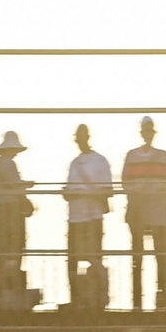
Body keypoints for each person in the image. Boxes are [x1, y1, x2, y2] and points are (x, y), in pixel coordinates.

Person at [121, 116, 166, 309]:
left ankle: (160, 294)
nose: (148, 135)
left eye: (150, 132)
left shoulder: (163, 156)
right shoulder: (132, 156)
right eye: (146, 131)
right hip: (138, 211)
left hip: (158, 212)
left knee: (160, 254)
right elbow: (125, 183)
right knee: (137, 256)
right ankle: (137, 299)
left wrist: (151, 188)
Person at [63, 124, 113, 309]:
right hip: (75, 217)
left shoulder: (100, 161)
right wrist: (69, 194)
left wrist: (85, 193)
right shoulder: (75, 163)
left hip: (92, 217)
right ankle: (76, 298)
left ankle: (98, 296)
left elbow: (108, 190)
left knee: (95, 257)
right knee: (72, 259)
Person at [0, 131, 35, 295]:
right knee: (14, 245)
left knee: (1, 247)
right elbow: (14, 184)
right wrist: (27, 185)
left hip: (1, 208)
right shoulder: (8, 164)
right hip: (11, 209)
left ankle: (0, 283)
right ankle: (12, 283)